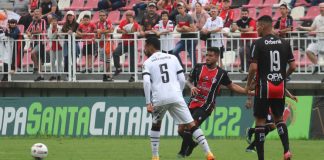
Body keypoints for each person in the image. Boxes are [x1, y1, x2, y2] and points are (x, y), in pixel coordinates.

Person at [142, 37, 215, 160]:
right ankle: (209, 154)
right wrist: (178, 93)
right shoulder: (173, 57)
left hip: (159, 98)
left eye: (145, 46)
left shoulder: (148, 62)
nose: (144, 49)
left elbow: (146, 82)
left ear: (150, 46)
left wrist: (148, 102)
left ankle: (155, 156)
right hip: (176, 96)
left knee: (156, 125)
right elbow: (182, 79)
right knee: (192, 124)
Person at [177, 47, 251, 158]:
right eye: (207, 55)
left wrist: (246, 91)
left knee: (190, 127)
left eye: (211, 56)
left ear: (216, 57)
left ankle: (182, 153)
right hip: (193, 102)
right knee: (180, 129)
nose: (207, 57)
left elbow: (232, 86)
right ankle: (191, 144)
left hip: (206, 105)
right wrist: (191, 87)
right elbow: (188, 81)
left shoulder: (221, 73)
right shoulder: (198, 67)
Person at [245, 15, 296, 160]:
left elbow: (253, 68)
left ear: (262, 26)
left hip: (263, 86)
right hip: (279, 87)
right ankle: (286, 151)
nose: (256, 29)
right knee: (279, 119)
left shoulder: (258, 43)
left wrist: (248, 85)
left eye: (257, 27)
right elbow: (293, 66)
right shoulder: (285, 43)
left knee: (260, 122)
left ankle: (261, 158)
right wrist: (282, 77)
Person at [244, 78, 298, 152]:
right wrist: (249, 99)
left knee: (269, 128)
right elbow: (250, 85)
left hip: (271, 102)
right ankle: (251, 133)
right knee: (270, 126)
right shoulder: (261, 72)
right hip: (263, 101)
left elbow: (281, 86)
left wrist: (290, 95)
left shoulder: (272, 74)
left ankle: (251, 144)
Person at [112, 10, 140, 82]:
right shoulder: (123, 22)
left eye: (130, 15)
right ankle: (118, 68)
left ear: (132, 16)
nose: (128, 17)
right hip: (124, 42)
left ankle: (133, 76)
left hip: (132, 43)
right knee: (115, 53)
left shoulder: (135, 23)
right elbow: (118, 30)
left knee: (132, 60)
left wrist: (130, 23)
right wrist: (122, 31)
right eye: (127, 15)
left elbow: (133, 31)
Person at [231, 7, 258, 80]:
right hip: (244, 41)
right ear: (241, 14)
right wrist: (233, 27)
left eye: (245, 14)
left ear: (248, 14)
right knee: (242, 51)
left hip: (252, 41)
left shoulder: (251, 20)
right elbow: (233, 29)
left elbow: (250, 29)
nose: (244, 15)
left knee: (244, 52)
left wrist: (239, 29)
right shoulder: (239, 21)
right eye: (243, 14)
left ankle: (249, 70)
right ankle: (245, 69)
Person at [297, 3, 324, 75]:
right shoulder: (317, 17)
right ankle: (317, 65)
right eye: (320, 7)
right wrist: (302, 28)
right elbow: (312, 28)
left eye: (323, 7)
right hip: (318, 40)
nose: (321, 9)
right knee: (308, 51)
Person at [172, 2, 198, 68]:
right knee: (174, 51)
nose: (180, 9)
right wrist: (184, 29)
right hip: (183, 39)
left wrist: (185, 28)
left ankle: (195, 70)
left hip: (191, 39)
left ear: (184, 8)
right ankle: (181, 66)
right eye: (178, 8)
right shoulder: (177, 16)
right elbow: (178, 28)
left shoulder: (189, 16)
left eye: (181, 8)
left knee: (192, 57)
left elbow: (193, 29)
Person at [26, 9, 47, 81]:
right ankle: (40, 74)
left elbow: (40, 30)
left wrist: (31, 33)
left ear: (40, 14)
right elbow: (27, 30)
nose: (36, 15)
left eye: (38, 14)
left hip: (41, 41)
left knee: (34, 54)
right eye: (35, 14)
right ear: (34, 15)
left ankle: (37, 69)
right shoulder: (33, 22)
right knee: (34, 56)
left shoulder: (43, 21)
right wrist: (29, 33)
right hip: (34, 42)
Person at [96, 10, 114, 81]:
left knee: (108, 60)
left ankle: (108, 75)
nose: (102, 17)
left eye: (103, 15)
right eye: (100, 15)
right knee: (104, 60)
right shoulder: (97, 23)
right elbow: (96, 32)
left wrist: (101, 31)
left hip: (108, 42)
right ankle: (105, 75)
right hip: (101, 44)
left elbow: (111, 30)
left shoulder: (108, 22)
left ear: (106, 16)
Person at [61, 11, 80, 75]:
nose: (69, 17)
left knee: (74, 58)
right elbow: (62, 31)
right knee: (66, 58)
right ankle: (67, 73)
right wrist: (68, 31)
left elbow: (79, 32)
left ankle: (74, 73)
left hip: (74, 43)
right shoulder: (65, 24)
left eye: (71, 15)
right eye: (68, 15)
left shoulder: (77, 24)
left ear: (73, 16)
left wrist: (73, 32)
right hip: (67, 43)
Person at [47, 14, 63, 81]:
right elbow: (50, 37)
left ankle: (59, 75)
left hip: (59, 46)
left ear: (57, 22)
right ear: (51, 22)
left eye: (55, 21)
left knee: (59, 62)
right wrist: (55, 33)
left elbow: (63, 37)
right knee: (52, 62)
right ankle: (53, 75)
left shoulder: (60, 28)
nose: (54, 22)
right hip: (52, 46)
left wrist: (59, 34)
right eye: (52, 21)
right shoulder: (49, 29)